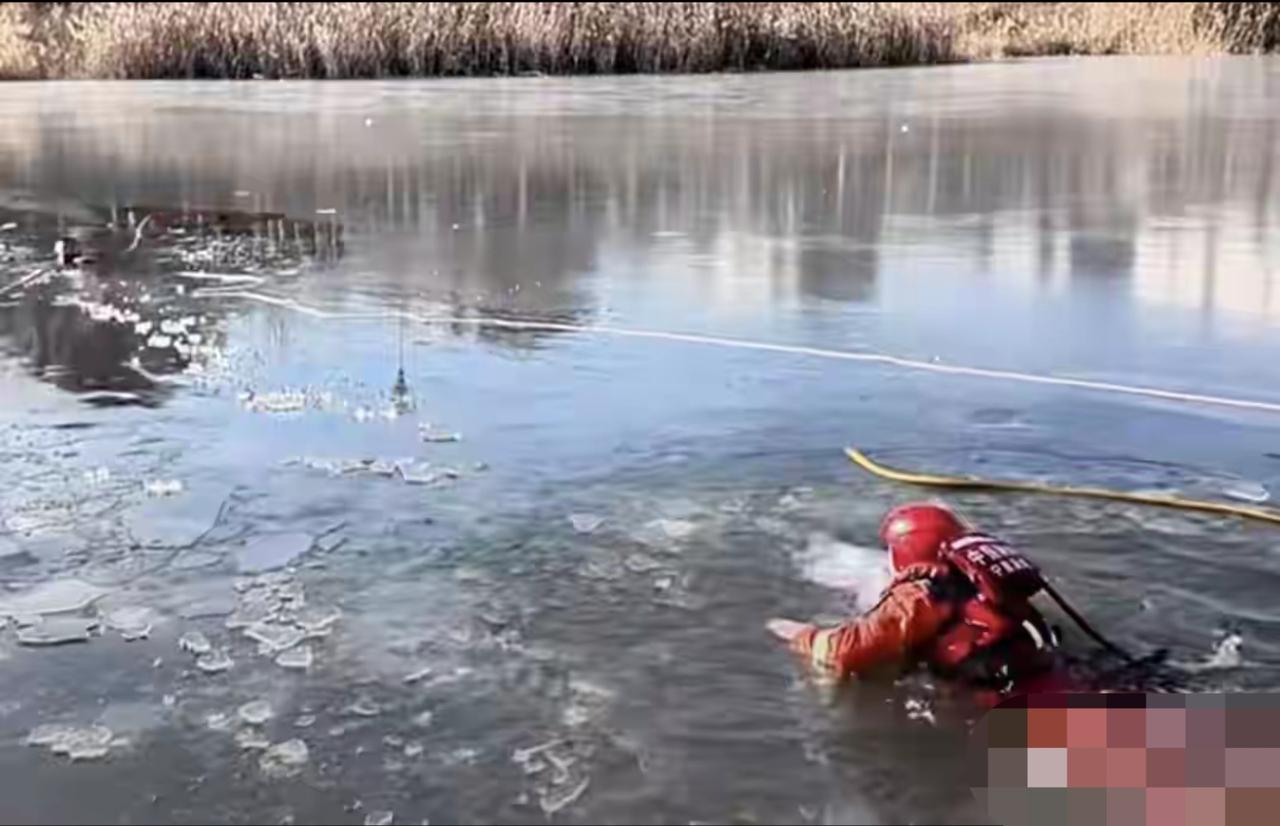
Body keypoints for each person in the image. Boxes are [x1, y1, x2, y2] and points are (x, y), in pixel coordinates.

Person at [769, 502, 1087, 700]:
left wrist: (798, 633)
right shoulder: (985, 582)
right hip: (1057, 679)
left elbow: (844, 651)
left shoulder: (920, 595)